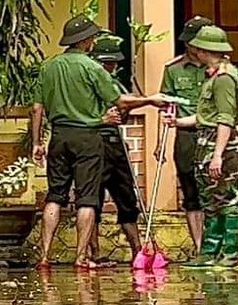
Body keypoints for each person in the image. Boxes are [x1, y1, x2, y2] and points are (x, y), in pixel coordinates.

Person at [30, 15, 162, 270]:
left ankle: (44, 257)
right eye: (92, 37)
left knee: (55, 196)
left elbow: (36, 108)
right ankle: (81, 258)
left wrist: (36, 142)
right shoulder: (91, 68)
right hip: (88, 136)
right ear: (86, 40)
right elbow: (120, 101)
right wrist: (150, 100)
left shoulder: (49, 66)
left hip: (58, 136)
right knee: (87, 199)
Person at [172, 25, 238, 267]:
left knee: (227, 199)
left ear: (205, 50)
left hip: (218, 143)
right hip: (205, 141)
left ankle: (229, 252)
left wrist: (217, 156)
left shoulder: (224, 79)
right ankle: (210, 251)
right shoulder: (213, 76)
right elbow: (205, 115)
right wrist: (177, 122)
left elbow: (225, 119)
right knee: (210, 200)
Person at [90, 34, 148, 266]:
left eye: (114, 63)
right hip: (94, 142)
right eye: (107, 63)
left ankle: (138, 251)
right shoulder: (89, 79)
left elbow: (123, 113)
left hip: (115, 144)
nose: (111, 67)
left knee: (126, 197)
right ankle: (93, 253)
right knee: (93, 200)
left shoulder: (116, 83)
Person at [161, 16, 215, 256]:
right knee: (191, 192)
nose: (192, 47)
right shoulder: (173, 70)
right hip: (186, 135)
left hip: (213, 132)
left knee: (216, 191)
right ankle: (200, 247)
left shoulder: (218, 69)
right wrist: (158, 141)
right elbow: (166, 106)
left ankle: (219, 246)